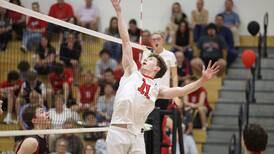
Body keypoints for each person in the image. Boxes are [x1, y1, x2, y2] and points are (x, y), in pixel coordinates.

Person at [107, 1, 219, 154]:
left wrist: (203, 80)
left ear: (157, 68)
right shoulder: (132, 71)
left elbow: (181, 90)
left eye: (150, 59)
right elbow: (126, 41)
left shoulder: (157, 88)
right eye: (145, 59)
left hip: (137, 135)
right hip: (119, 132)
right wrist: (119, 11)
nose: (145, 59)